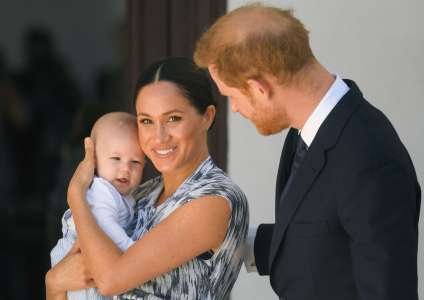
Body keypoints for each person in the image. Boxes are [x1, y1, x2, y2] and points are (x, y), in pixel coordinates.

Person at [194, 4, 421, 300]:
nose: (234, 108)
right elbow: (322, 236)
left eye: (232, 97)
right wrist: (225, 237)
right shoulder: (309, 129)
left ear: (260, 88)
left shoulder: (371, 160)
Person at [45, 57, 249, 299]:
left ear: (207, 116)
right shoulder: (138, 194)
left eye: (173, 118)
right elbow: (73, 287)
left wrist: (76, 195)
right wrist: (54, 283)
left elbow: (110, 280)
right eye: (146, 121)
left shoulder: (214, 199)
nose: (159, 136)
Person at [50, 112, 145, 300]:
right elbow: (105, 225)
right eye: (116, 159)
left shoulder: (124, 194)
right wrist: (132, 252)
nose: (125, 168)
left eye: (135, 162)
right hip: (79, 263)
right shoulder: (102, 191)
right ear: (94, 159)